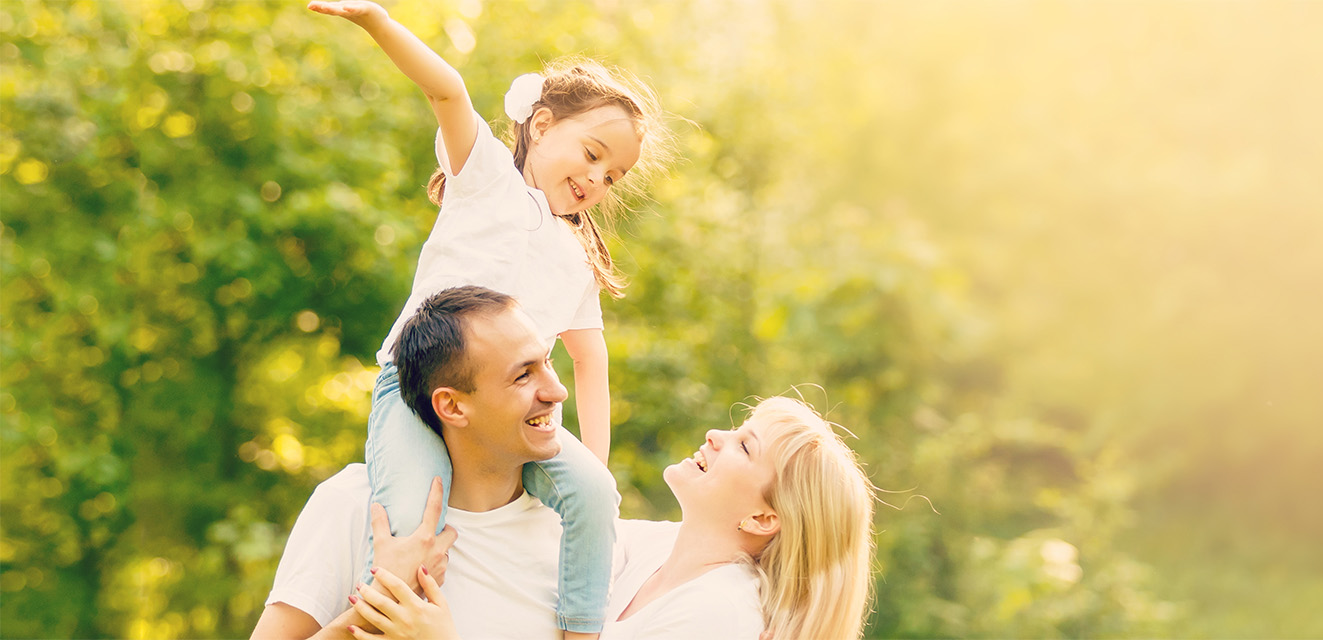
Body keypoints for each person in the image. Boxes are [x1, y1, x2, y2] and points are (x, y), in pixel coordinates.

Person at [306, 0, 674, 635]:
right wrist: (376, 22)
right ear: (540, 122)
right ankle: (381, 618)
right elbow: (447, 90)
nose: (596, 178)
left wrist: (595, 457)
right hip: (418, 387)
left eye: (613, 176)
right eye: (590, 154)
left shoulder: (575, 258)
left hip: (514, 412)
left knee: (592, 495)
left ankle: (580, 627)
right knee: (407, 529)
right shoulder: (485, 182)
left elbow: (591, 360)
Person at [348, 396, 879, 639]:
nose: (718, 435)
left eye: (745, 445)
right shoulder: (650, 548)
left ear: (764, 518)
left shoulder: (718, 617)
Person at [252, 286, 578, 640]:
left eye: (548, 361)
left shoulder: (570, 534)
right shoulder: (354, 504)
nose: (557, 392)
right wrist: (377, 603)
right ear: (452, 406)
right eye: (523, 375)